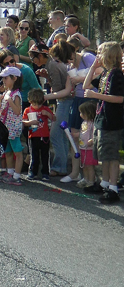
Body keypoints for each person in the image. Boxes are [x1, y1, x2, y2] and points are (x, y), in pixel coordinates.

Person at [83, 41, 124, 203]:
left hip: (112, 120)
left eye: (100, 52)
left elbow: (120, 98)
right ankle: (105, 183)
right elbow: (86, 85)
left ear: (109, 55)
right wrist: (93, 67)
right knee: (103, 153)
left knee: (111, 155)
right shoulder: (106, 73)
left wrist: (96, 96)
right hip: (102, 118)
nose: (97, 55)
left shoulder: (117, 75)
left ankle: (113, 188)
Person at [30, 42, 73, 177]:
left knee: (55, 134)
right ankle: (62, 166)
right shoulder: (51, 64)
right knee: (62, 134)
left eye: (34, 57)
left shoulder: (52, 65)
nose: (33, 60)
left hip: (66, 101)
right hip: (64, 101)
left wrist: (45, 96)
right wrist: (47, 77)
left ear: (42, 55)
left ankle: (59, 167)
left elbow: (60, 89)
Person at [59, 38, 96, 183]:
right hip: (78, 100)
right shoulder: (69, 66)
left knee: (89, 135)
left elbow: (98, 73)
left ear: (75, 51)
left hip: (91, 99)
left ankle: (90, 173)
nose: (69, 62)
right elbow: (69, 87)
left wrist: (80, 79)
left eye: (70, 58)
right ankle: (75, 173)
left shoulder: (87, 57)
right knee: (74, 136)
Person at [0, 66, 24, 185]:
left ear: (14, 78)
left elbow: (17, 111)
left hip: (13, 128)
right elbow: (3, 111)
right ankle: (10, 172)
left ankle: (17, 175)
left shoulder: (16, 95)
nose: (3, 81)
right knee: (7, 151)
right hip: (6, 127)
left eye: (6, 78)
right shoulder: (7, 92)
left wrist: (9, 100)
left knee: (17, 152)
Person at [22, 88, 54, 181]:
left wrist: (47, 113)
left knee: (45, 155)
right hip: (33, 136)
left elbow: (53, 118)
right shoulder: (28, 110)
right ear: (30, 101)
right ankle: (32, 172)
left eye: (39, 104)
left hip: (44, 136)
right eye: (34, 104)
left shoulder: (45, 109)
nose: (36, 106)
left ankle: (45, 173)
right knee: (34, 155)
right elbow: (24, 122)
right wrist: (30, 122)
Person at [77, 101, 101, 191]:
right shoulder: (84, 123)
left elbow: (95, 134)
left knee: (90, 165)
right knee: (84, 165)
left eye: (82, 112)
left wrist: (92, 140)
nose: (80, 114)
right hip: (83, 148)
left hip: (90, 149)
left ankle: (91, 180)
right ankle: (86, 179)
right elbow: (82, 133)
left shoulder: (93, 124)